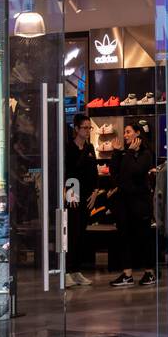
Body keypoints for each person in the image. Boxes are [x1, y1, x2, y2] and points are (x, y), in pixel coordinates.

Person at [109, 124, 156, 288]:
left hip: (140, 203)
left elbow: (134, 171)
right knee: (124, 238)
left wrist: (127, 153)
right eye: (125, 132)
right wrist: (116, 153)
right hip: (124, 202)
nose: (125, 135)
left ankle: (150, 272)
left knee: (143, 238)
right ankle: (127, 274)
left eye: (128, 132)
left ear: (137, 134)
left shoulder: (146, 154)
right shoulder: (125, 154)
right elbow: (115, 174)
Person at [64, 114, 98, 287]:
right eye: (84, 127)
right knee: (72, 232)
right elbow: (67, 172)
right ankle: (67, 270)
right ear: (76, 129)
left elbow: (94, 171)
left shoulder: (90, 147)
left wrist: (95, 191)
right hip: (72, 191)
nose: (87, 130)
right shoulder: (68, 147)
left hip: (86, 193)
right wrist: (69, 193)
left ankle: (76, 270)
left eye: (89, 127)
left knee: (82, 232)